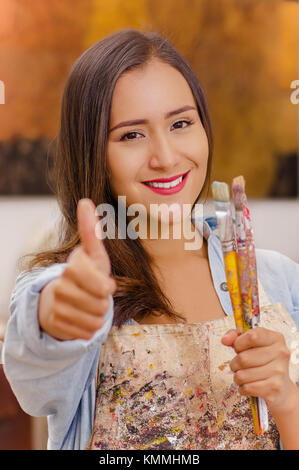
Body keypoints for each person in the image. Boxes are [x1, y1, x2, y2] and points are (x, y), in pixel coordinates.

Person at [2, 28, 299, 451]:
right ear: (93, 154)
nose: (165, 156)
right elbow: (34, 380)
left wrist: (287, 401)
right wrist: (57, 314)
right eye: (131, 135)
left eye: (180, 123)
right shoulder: (67, 285)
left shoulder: (282, 282)